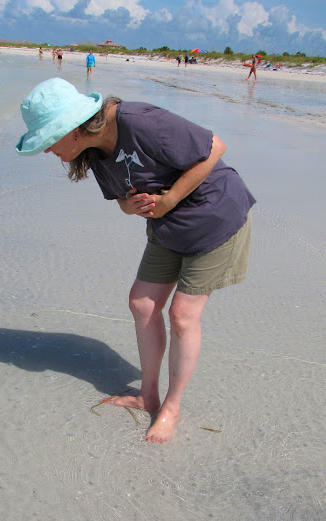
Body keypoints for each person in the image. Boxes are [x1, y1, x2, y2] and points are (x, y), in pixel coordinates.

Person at [16, 78, 255, 443]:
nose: (47, 150)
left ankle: (171, 407)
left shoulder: (139, 121)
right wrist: (134, 205)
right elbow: (124, 203)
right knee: (142, 303)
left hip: (215, 216)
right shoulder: (94, 152)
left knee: (183, 314)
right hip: (167, 224)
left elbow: (215, 148)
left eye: (48, 140)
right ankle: (148, 395)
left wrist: (170, 198)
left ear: (71, 129)